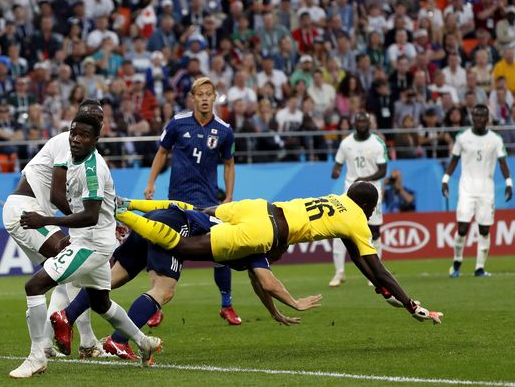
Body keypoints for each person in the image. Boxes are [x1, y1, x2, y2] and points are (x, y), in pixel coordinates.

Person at [115, 182, 444, 325]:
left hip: (257, 207)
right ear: (369, 207)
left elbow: (362, 264)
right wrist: (410, 303)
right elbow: (377, 268)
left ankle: (126, 204)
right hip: (269, 231)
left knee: (194, 212)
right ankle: (120, 213)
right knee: (183, 245)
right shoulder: (358, 218)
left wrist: (381, 288)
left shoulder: (337, 200)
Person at [50, 205, 323, 359]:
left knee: (112, 279)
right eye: (281, 252)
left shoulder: (249, 228)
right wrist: (295, 303)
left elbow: (260, 283)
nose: (277, 258)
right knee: (163, 290)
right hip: (178, 228)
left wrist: (275, 312)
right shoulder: (259, 246)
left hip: (162, 219)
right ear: (276, 247)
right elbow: (269, 282)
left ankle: (66, 316)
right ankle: (118, 341)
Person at [9, 113, 161, 378]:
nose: (76, 139)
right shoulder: (69, 157)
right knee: (101, 303)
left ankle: (36, 358)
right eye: (73, 133)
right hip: (91, 240)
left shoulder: (94, 169)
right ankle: (145, 343)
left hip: (93, 246)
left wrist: (44, 219)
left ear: (96, 140)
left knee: (34, 285)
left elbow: (90, 215)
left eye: (84, 136)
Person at [1, 99, 105, 359]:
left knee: (67, 271)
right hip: (26, 209)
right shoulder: (66, 143)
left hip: (32, 210)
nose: (95, 119)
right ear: (76, 118)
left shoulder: (87, 153)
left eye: (99, 116)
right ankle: (82, 343)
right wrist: (80, 221)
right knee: (71, 258)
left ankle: (59, 342)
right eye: (89, 114)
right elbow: (57, 195)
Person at [143, 76, 239, 327]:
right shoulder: (177, 124)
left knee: (221, 254)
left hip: (208, 202)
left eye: (209, 94)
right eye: (200, 94)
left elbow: (229, 164)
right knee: (163, 252)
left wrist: (228, 197)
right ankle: (155, 306)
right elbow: (161, 152)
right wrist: (151, 182)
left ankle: (226, 304)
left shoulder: (224, 130)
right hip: (178, 202)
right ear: (193, 98)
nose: (205, 98)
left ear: (215, 97)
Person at [442, 104, 512, 278]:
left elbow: (503, 162)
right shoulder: (462, 137)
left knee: (484, 230)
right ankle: (457, 261)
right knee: (463, 228)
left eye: (482, 116)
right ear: (472, 118)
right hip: (466, 189)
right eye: (476, 115)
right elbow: (454, 160)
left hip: (486, 191)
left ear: (488, 118)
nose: (479, 119)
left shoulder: (496, 139)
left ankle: (480, 267)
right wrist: (445, 180)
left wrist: (509, 182)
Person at [329, 111, 387, 287]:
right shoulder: (346, 143)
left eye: (364, 121)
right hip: (350, 193)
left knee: (374, 231)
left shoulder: (377, 143)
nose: (361, 124)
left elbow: (383, 170)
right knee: (340, 231)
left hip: (372, 192)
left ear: (369, 123)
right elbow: (338, 163)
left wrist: (365, 180)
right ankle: (339, 272)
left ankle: (377, 274)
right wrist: (336, 170)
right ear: (354, 123)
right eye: (359, 121)